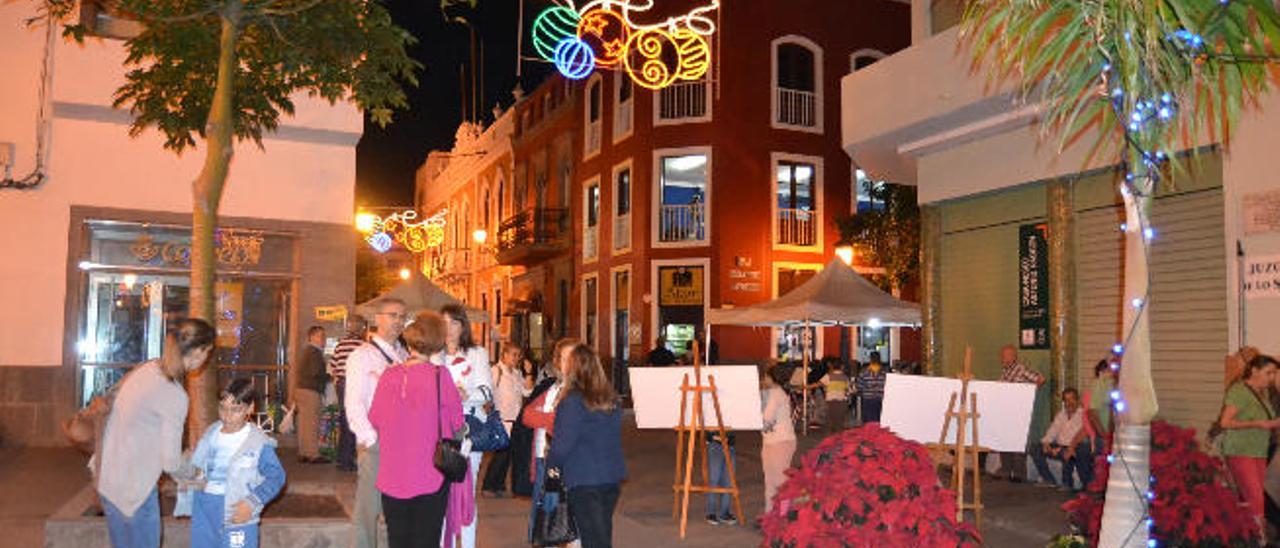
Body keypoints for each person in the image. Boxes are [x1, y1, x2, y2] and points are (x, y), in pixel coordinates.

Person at [96, 318, 215, 548]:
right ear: (199, 351)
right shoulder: (174, 395)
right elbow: (170, 463)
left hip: (110, 483)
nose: (207, 358)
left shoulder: (146, 370)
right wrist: (196, 471)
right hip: (135, 495)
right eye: (208, 352)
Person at [368, 311, 466, 548]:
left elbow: (375, 418)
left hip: (392, 475)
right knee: (426, 541)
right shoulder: (440, 376)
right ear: (437, 342)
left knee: (398, 541)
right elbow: (457, 422)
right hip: (430, 475)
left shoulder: (389, 375)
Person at [179, 379, 286, 548]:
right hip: (205, 511)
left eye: (236, 410)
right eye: (223, 408)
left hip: (238, 514)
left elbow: (276, 477)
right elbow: (197, 469)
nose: (227, 416)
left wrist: (252, 502)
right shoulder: (211, 433)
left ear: (250, 408)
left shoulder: (259, 442)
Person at [345, 298, 410, 548]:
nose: (398, 321)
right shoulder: (362, 356)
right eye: (392, 315)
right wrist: (370, 439)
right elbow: (354, 403)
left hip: (402, 441)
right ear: (377, 318)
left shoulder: (405, 355)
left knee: (396, 507)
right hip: (377, 441)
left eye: (402, 316)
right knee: (368, 509)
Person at [547, 344, 627, 548]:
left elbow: (562, 445)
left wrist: (551, 468)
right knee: (601, 536)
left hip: (584, 478)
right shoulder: (611, 399)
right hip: (610, 477)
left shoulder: (573, 401)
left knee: (593, 539)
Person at [435, 304, 493, 548]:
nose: (449, 329)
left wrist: (465, 394)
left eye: (454, 323)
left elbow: (487, 391)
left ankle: (467, 545)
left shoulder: (477, 353)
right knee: (439, 493)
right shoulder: (433, 354)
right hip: (438, 429)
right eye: (444, 323)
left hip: (468, 428)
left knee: (466, 493)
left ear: (463, 326)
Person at [522, 338, 578, 541]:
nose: (568, 364)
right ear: (557, 362)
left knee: (568, 521)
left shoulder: (580, 391)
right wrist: (550, 419)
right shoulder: (553, 388)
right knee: (546, 521)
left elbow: (565, 425)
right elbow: (527, 416)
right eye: (564, 359)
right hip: (543, 460)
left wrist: (546, 419)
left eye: (573, 358)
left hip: (566, 466)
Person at [1219, 354, 1280, 534]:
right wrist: (1257, 424)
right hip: (1240, 450)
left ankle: (1251, 535)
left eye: (1274, 373)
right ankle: (1257, 538)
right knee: (1256, 499)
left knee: (1255, 497)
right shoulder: (1239, 391)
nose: (1271, 378)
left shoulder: (1264, 394)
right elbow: (1225, 422)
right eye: (1268, 373)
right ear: (1254, 370)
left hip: (1259, 451)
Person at [482, 343, 534, 498]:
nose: (516, 358)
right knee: (501, 454)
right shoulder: (496, 371)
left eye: (518, 355)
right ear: (504, 355)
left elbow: (528, 391)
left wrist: (529, 373)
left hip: (515, 420)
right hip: (501, 419)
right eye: (513, 354)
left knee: (509, 454)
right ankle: (489, 485)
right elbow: (487, 392)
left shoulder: (517, 373)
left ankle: (498, 485)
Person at [996, 345, 1045, 482]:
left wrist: (1029, 393)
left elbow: (1040, 379)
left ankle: (1019, 474)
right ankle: (1006, 470)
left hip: (1019, 413)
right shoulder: (1005, 372)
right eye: (1002, 356)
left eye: (1005, 356)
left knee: (1018, 442)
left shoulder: (1020, 369)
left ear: (1013, 357)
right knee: (1005, 441)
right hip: (1006, 412)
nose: (1002, 359)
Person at [1029, 388, 1092, 491]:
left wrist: (1064, 449)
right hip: (1059, 446)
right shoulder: (1061, 415)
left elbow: (1084, 435)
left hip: (1074, 447)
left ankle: (1067, 483)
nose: (1069, 403)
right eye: (1066, 400)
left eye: (1072, 399)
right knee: (1035, 448)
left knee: (1069, 453)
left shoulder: (1083, 415)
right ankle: (1049, 480)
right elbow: (1052, 431)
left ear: (1077, 400)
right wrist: (1046, 443)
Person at [329, 316, 368, 472]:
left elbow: (333, 365)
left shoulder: (340, 344)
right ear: (361, 328)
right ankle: (347, 460)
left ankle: (342, 458)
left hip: (341, 384)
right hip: (354, 384)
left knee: (344, 419)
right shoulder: (362, 345)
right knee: (353, 421)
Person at [760, 364, 796, 513]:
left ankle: (783, 514)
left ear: (771, 378)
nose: (763, 379)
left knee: (780, 482)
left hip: (780, 441)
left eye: (765, 376)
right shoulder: (773, 392)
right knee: (771, 481)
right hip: (773, 441)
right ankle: (771, 514)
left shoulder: (775, 393)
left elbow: (767, 417)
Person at [294, 325, 330, 464]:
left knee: (304, 424)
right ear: (312, 337)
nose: (324, 340)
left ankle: (304, 452)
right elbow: (316, 373)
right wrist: (329, 376)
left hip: (301, 389)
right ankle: (313, 454)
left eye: (324, 336)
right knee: (312, 423)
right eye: (321, 336)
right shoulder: (314, 352)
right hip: (310, 390)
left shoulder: (307, 351)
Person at [703, 429, 737, 525]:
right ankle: (711, 512)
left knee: (728, 480)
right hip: (715, 444)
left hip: (730, 445)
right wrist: (712, 437)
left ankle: (724, 512)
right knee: (714, 479)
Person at [854, 353, 887, 424]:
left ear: (870, 359)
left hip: (867, 399)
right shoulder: (884, 372)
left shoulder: (864, 372)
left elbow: (859, 386)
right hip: (880, 399)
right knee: (878, 420)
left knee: (868, 421)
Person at [821, 361, 852, 434]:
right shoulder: (845, 377)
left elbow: (819, 384)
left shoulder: (828, 376)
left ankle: (830, 438)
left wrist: (806, 387)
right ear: (842, 367)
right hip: (841, 401)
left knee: (830, 421)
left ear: (832, 367)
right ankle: (839, 439)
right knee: (840, 422)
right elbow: (849, 389)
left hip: (830, 401)